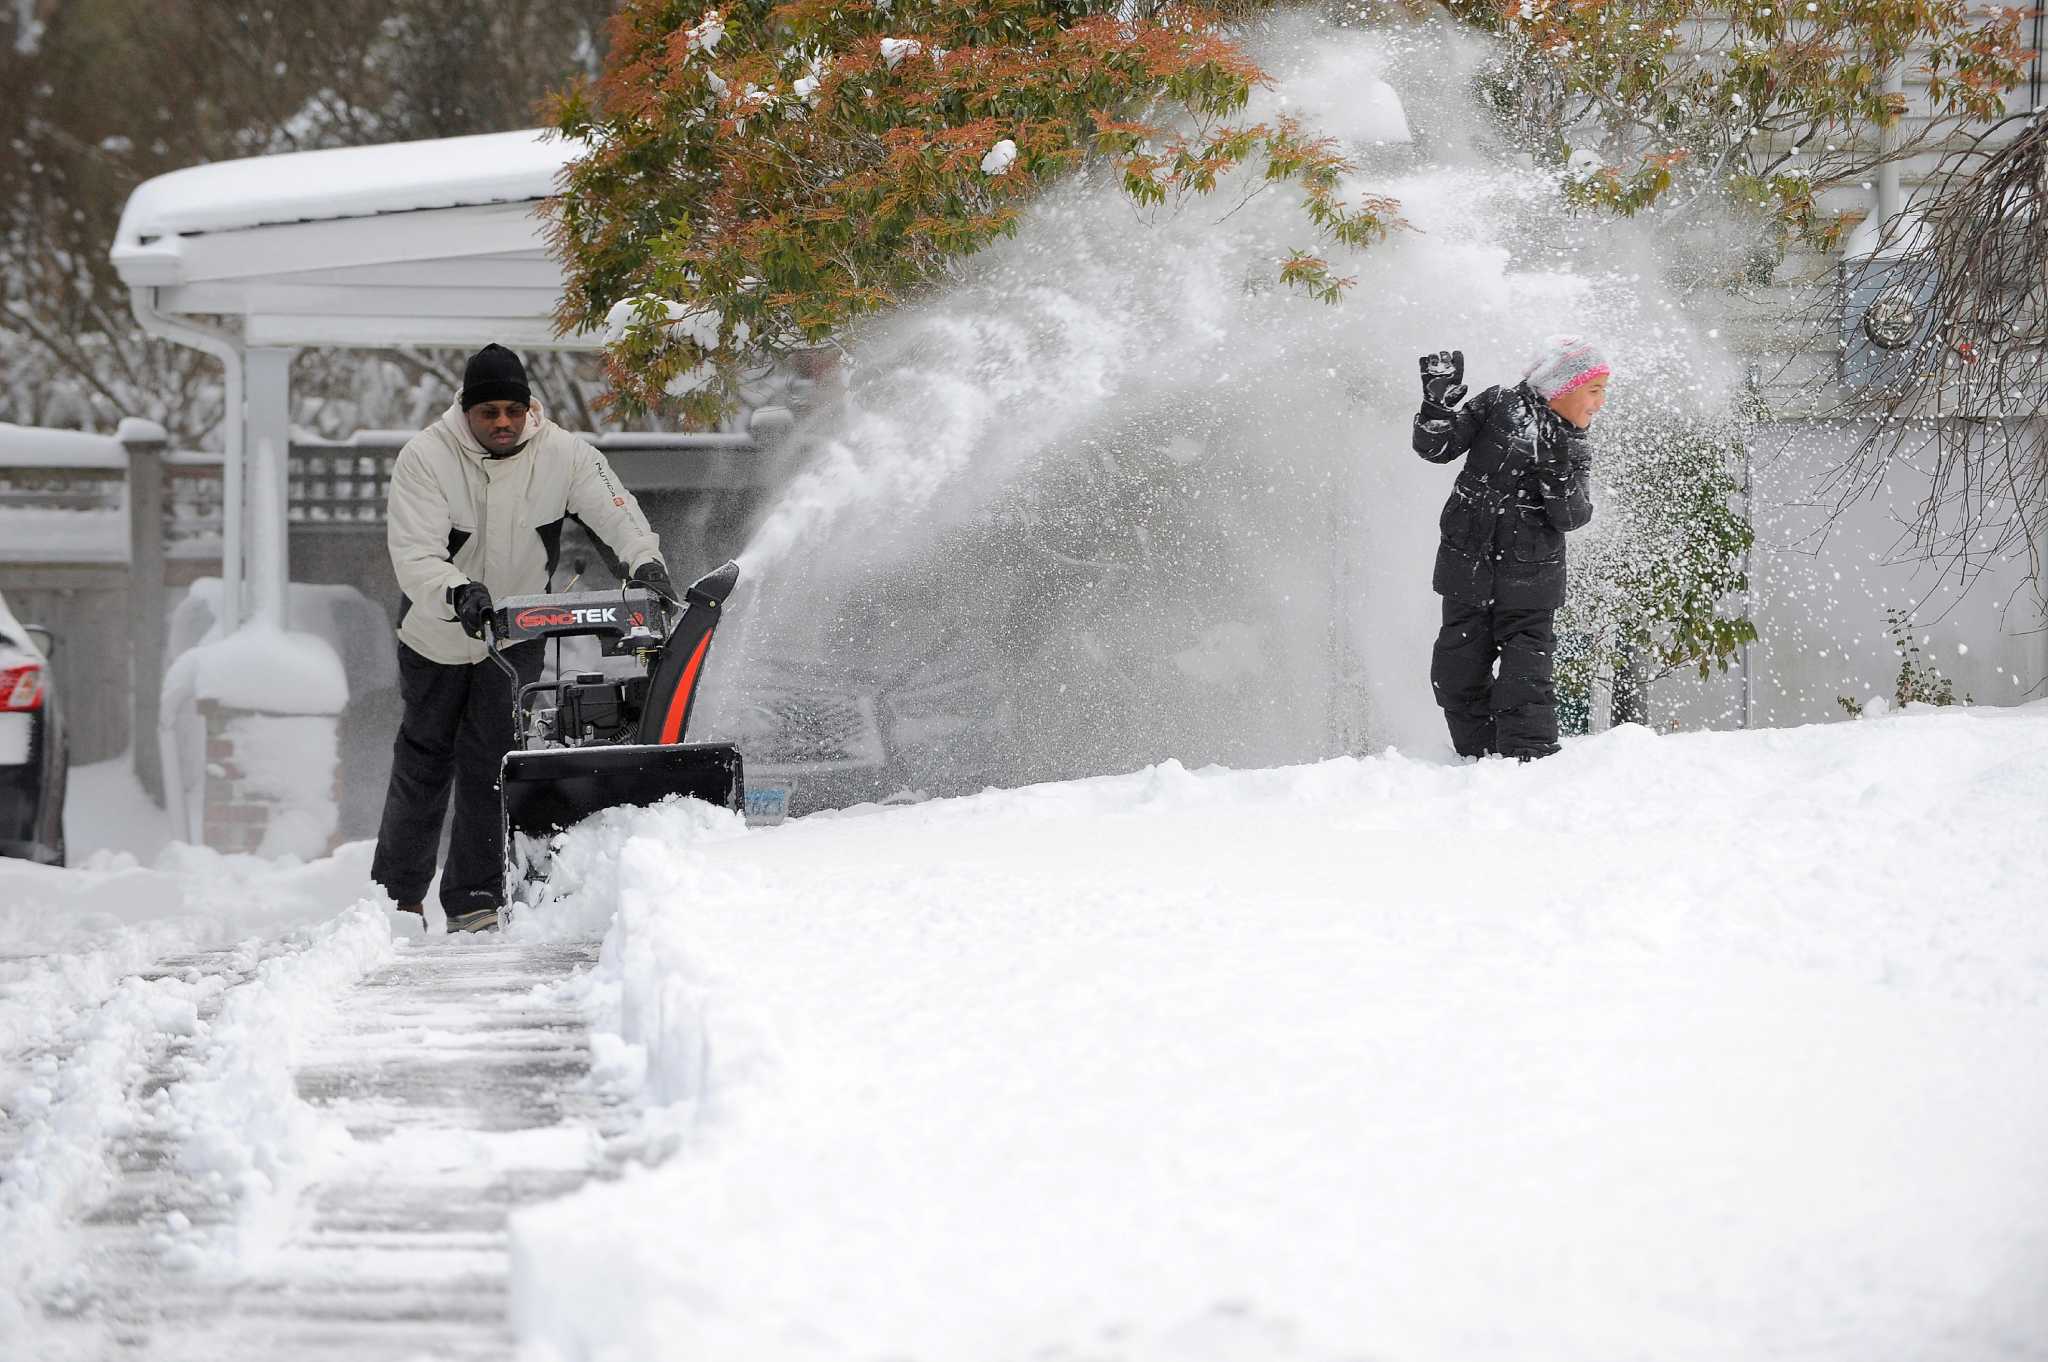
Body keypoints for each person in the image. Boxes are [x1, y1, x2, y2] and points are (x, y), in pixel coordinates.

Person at [371, 343, 669, 932]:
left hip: (515, 634)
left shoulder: (564, 454)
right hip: (436, 633)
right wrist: (459, 593)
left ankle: (475, 901)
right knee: (425, 761)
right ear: (467, 412)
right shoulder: (426, 458)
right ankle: (399, 898)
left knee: (492, 762)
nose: (502, 422)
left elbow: (618, 513)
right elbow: (415, 554)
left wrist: (645, 562)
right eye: (489, 413)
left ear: (529, 406)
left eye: (512, 409)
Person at [1411, 335, 1607, 761]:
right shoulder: (1497, 404)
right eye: (1594, 390)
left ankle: (1527, 766)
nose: (1600, 402)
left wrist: (1556, 472)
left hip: (1531, 586)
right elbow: (1437, 448)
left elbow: (1573, 516)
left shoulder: (1573, 445)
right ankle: (1476, 759)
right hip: (1466, 572)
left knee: (1525, 683)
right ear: (1562, 387)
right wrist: (1436, 408)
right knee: (1455, 674)